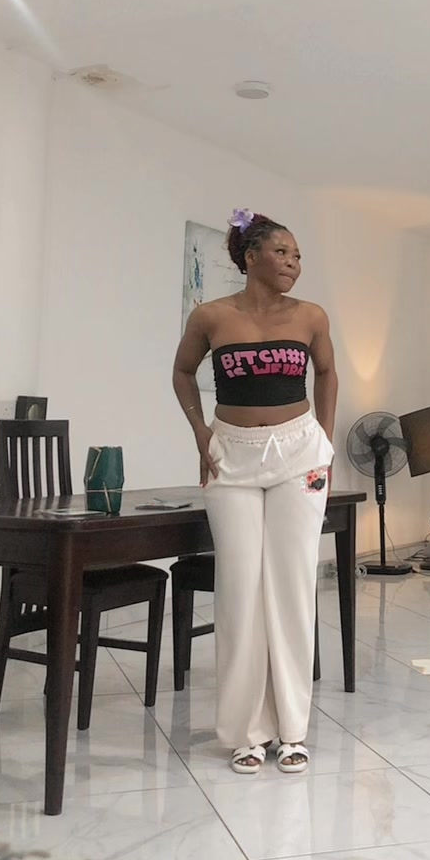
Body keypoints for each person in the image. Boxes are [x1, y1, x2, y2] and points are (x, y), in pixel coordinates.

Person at [172, 209, 338, 775]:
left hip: (299, 453)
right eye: (282, 252)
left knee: (292, 586)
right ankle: (246, 732)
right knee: (239, 589)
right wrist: (201, 433)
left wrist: (325, 442)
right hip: (231, 454)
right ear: (250, 257)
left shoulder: (311, 316)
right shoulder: (211, 316)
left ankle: (292, 730)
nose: (293, 262)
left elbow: (327, 374)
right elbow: (182, 373)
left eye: (297, 255)